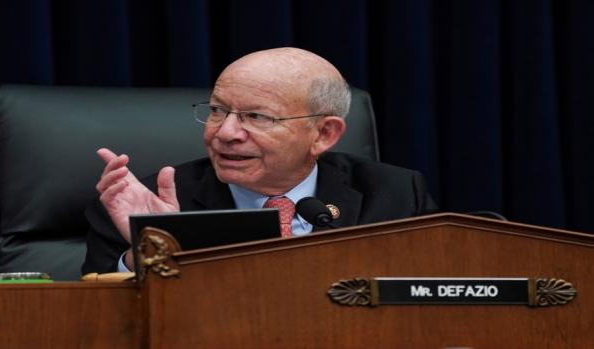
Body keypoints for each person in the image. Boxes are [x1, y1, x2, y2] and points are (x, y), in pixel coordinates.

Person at [82, 47, 438, 275]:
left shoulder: (395, 194)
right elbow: (99, 324)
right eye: (218, 110)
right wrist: (154, 251)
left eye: (257, 117)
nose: (225, 133)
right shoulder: (140, 204)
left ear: (323, 134)